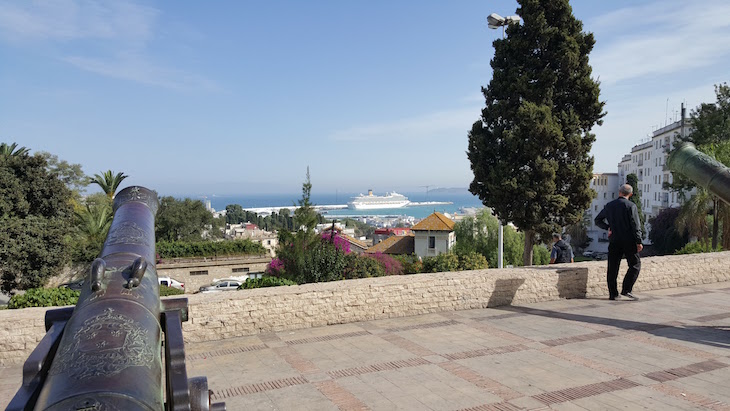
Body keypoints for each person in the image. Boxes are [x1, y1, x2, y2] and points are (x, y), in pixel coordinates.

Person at [594, 184, 643, 300]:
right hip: (629, 240)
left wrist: (608, 227)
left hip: (614, 240)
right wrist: (639, 241)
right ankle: (626, 289)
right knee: (635, 265)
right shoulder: (631, 206)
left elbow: (597, 220)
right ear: (630, 194)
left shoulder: (609, 205)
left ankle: (613, 294)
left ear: (619, 192)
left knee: (613, 267)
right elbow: (635, 225)